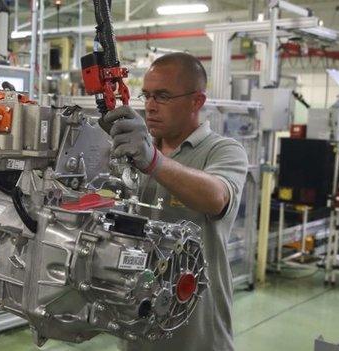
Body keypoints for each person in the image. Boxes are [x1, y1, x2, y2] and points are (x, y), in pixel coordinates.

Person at [102, 52, 248, 351]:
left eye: (163, 96)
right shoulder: (132, 152)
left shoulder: (223, 151)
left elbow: (216, 197)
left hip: (197, 333)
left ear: (197, 101)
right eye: (147, 95)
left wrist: (152, 160)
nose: (151, 105)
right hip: (138, 326)